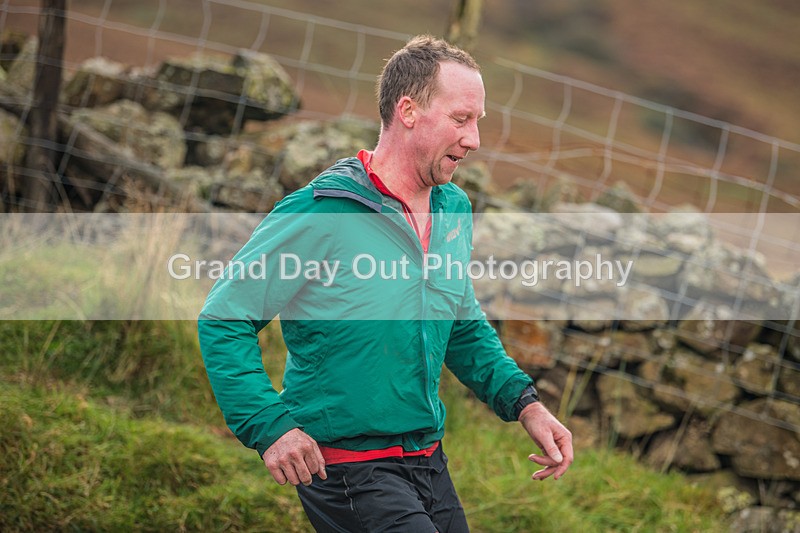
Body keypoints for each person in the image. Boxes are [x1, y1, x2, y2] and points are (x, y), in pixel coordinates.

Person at [198, 34, 573, 532]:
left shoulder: (452, 209)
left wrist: (525, 405)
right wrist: (270, 428)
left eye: (478, 121)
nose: (474, 139)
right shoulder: (323, 213)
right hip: (347, 467)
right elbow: (225, 317)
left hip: (426, 457)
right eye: (461, 119)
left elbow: (459, 323)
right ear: (409, 111)